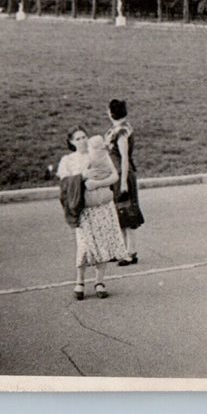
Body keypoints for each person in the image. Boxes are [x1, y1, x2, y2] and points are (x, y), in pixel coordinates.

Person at [57, 125, 128, 300]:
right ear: (71, 142)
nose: (81, 141)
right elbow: (65, 184)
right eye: (77, 138)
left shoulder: (97, 153)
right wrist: (82, 176)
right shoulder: (67, 160)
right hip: (82, 207)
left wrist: (98, 184)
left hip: (102, 206)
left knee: (102, 243)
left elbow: (114, 175)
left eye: (84, 137)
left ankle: (99, 281)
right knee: (84, 244)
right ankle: (79, 281)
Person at [104, 99, 144, 266]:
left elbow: (125, 158)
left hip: (122, 175)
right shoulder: (119, 128)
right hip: (115, 175)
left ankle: (131, 252)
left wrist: (123, 183)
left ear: (111, 113)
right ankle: (121, 250)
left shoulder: (121, 132)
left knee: (127, 214)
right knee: (118, 215)